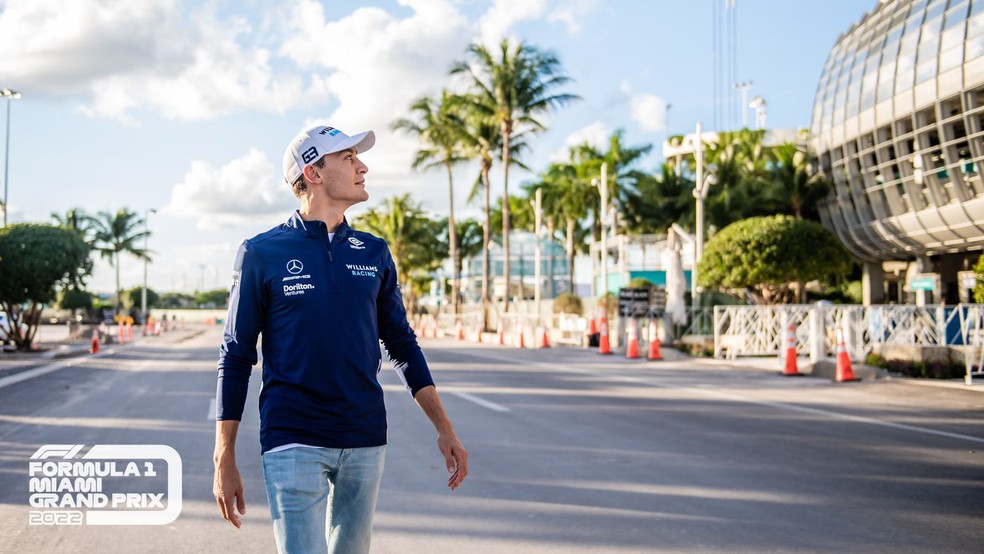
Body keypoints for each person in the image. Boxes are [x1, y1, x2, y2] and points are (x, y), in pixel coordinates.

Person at [213, 124, 468, 553]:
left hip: (365, 436)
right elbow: (236, 356)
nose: (362, 166)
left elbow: (402, 344)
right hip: (292, 436)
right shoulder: (261, 252)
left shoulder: (374, 252)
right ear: (313, 173)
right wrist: (224, 455)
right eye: (348, 158)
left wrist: (444, 428)